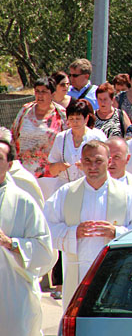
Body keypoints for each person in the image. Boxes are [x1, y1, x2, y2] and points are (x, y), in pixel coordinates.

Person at [44, 141, 132, 310]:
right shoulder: (66, 193)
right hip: (77, 273)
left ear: (109, 161)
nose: (92, 166)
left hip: (116, 273)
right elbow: (45, 228)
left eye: (98, 161)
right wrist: (72, 232)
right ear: (81, 163)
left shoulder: (127, 194)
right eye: (87, 161)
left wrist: (118, 233)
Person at [0, 133, 57, 336]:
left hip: (11, 291)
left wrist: (11, 243)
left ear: (9, 164)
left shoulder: (23, 201)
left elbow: (44, 250)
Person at [11, 76, 67, 179]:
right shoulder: (25, 110)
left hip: (49, 174)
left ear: (53, 94)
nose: (40, 95)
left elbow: (67, 139)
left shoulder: (61, 114)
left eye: (44, 92)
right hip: (23, 172)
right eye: (37, 91)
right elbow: (13, 135)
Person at [47, 99, 107, 194]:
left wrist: (87, 167)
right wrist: (59, 166)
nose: (75, 122)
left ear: (86, 119)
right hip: (65, 189)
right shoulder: (61, 138)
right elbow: (52, 170)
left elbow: (106, 167)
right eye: (71, 119)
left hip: (90, 189)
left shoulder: (97, 137)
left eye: (78, 119)